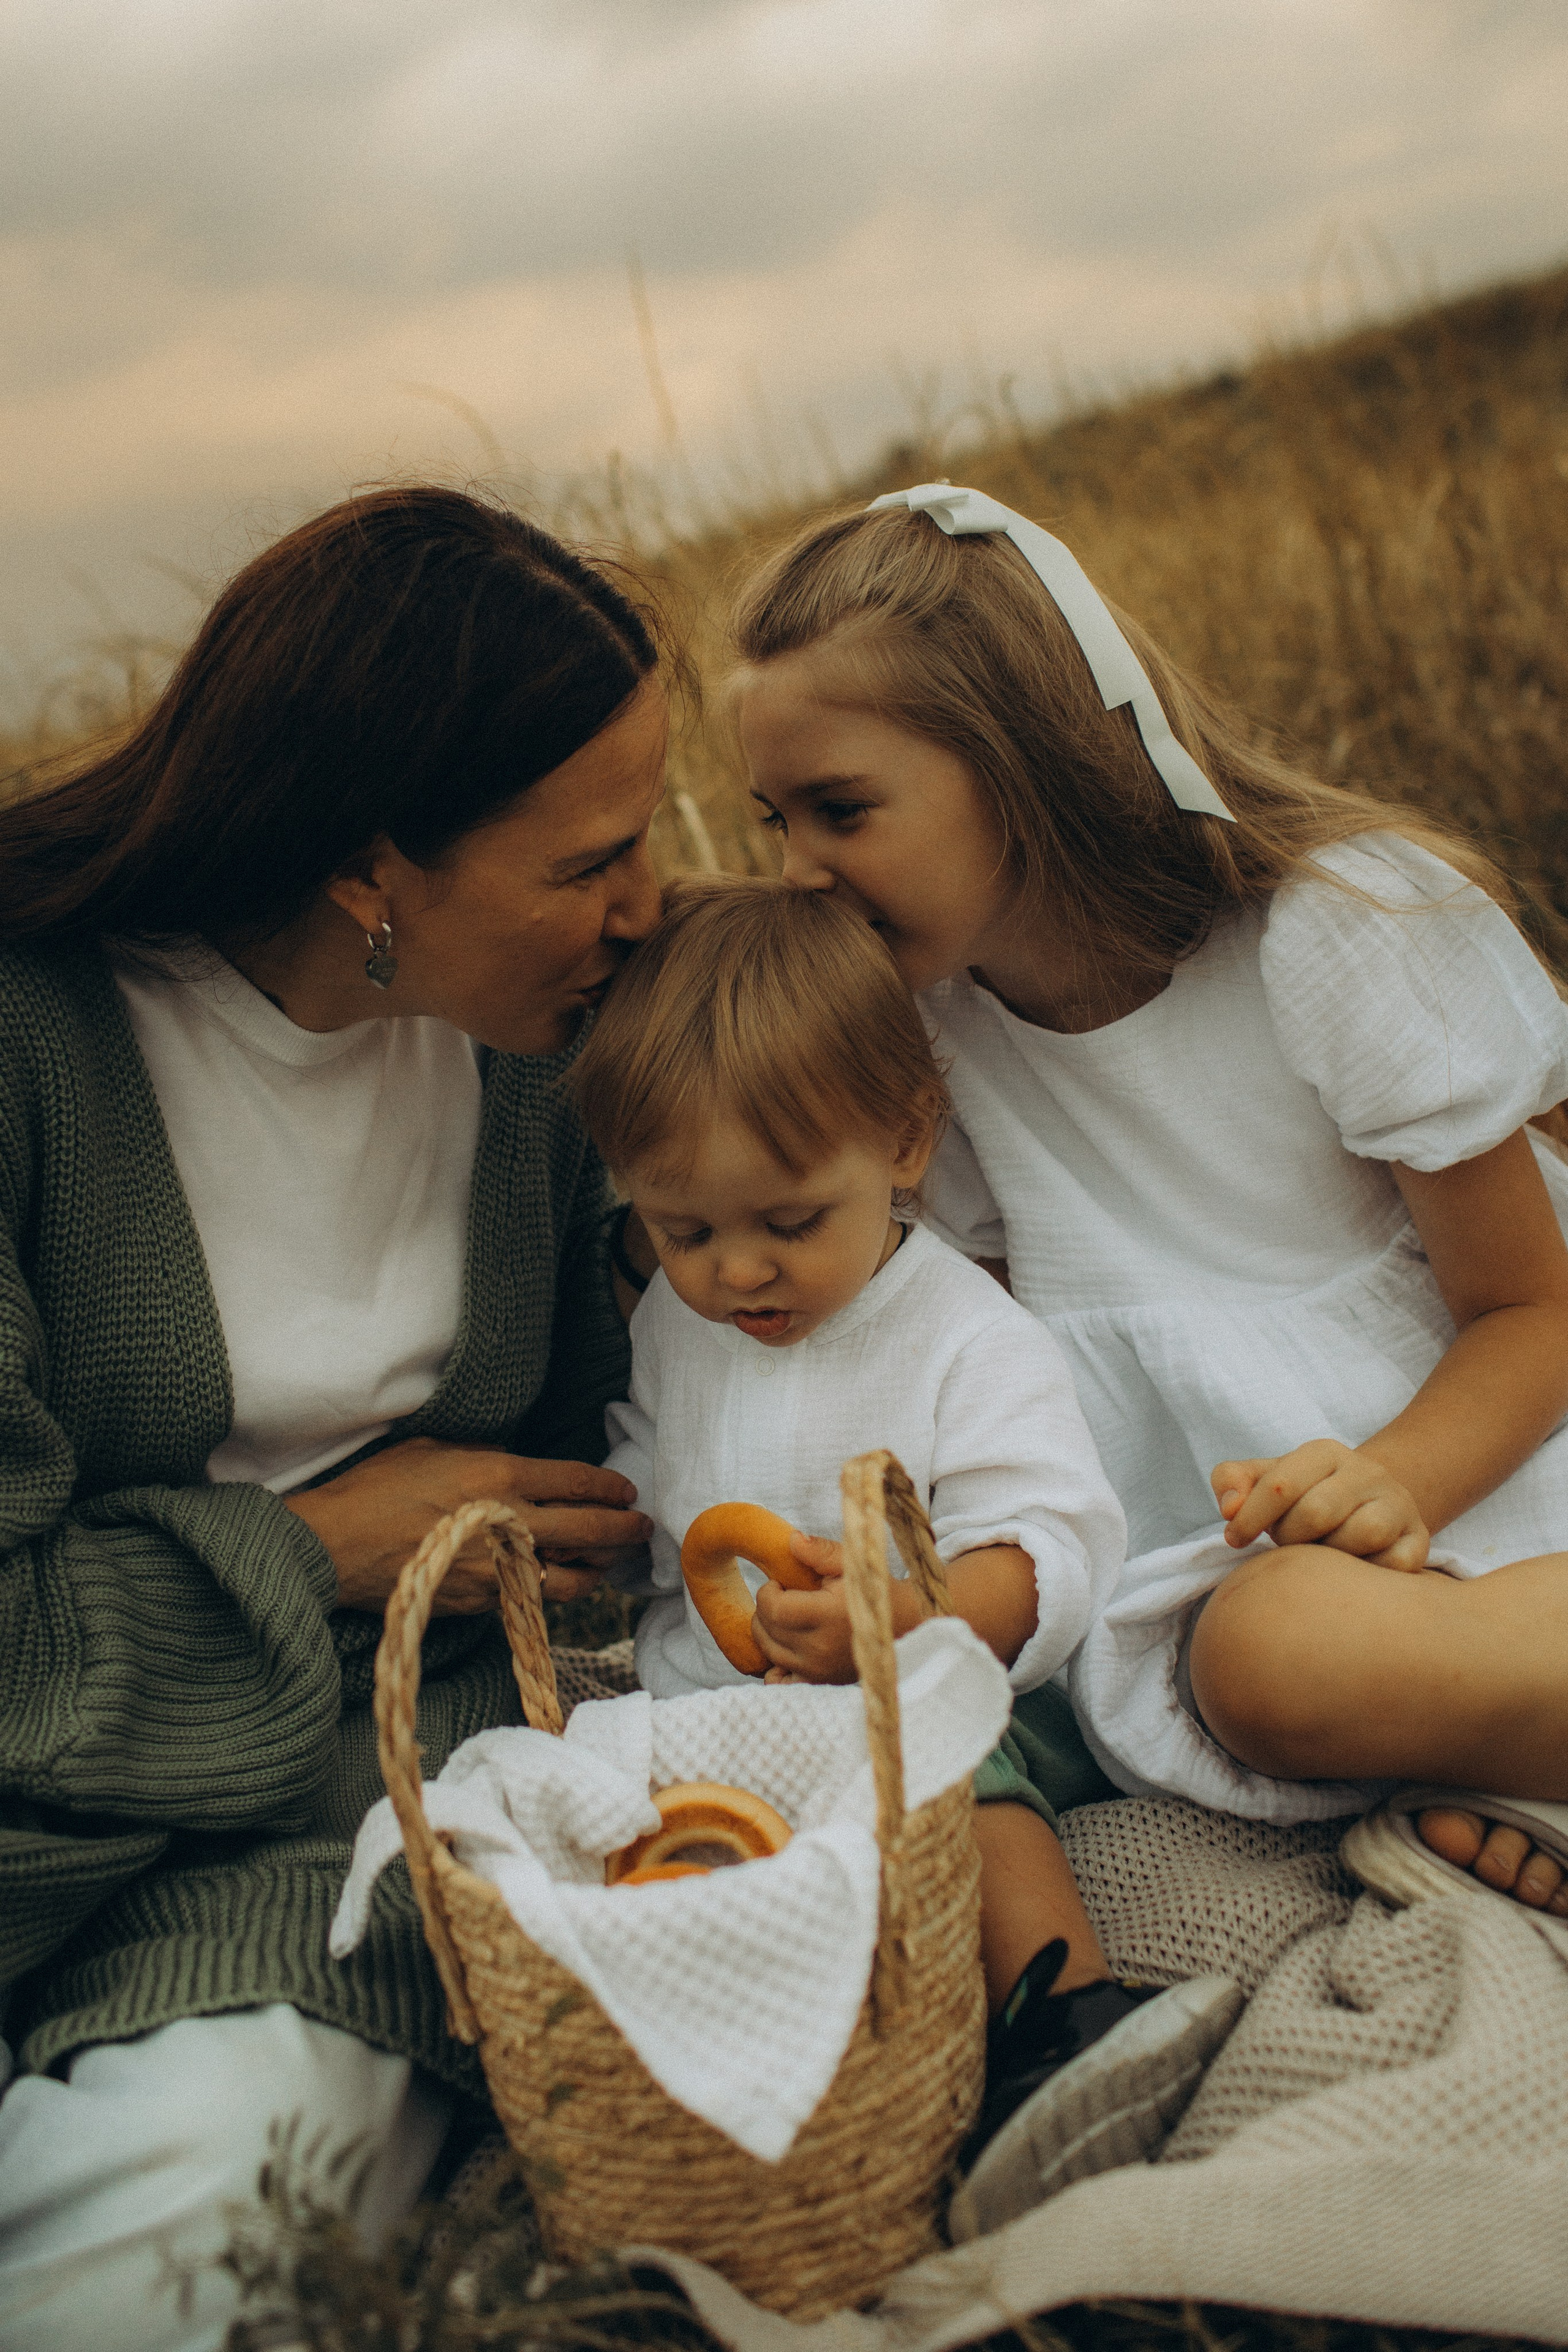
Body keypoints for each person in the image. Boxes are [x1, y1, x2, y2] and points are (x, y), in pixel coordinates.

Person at [0, 486, 665, 2351]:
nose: (649, 901)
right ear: (376, 868)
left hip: (345, 1804)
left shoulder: (546, 1056)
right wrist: (318, 1548)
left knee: (207, 2201)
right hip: (44, 1797)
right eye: (590, 860)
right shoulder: (36, 1044)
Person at [726, 480, 1568, 1919]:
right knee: (1265, 1660)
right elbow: (963, 1353)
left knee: (1281, 1646)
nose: (800, 870)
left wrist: (1393, 1482)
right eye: (772, 821)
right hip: (1281, 1573)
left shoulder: (1322, 936)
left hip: (1491, 1451)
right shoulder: (928, 1044)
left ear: (1021, 764)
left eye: (840, 811)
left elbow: (1530, 1309)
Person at [569, 877, 1244, 2237]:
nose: (735, 1275)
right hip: (716, 1708)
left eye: (786, 1223)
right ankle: (722, 2070)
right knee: (600, 1798)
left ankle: (1062, 2007)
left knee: (949, 1756)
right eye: (682, 1231)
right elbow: (656, 1468)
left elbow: (1050, 1539)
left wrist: (916, 1613)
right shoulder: (676, 1324)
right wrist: (609, 1536)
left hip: (934, 1698)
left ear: (904, 1138)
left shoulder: (961, 1338)